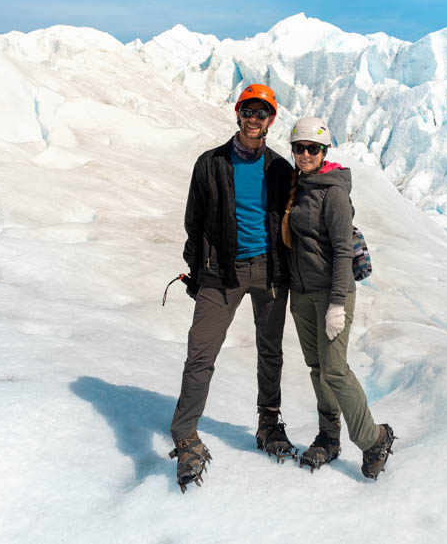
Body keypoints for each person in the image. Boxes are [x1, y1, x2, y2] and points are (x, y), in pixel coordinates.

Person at [168, 83, 296, 493]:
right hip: (221, 273)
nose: (254, 119)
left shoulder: (280, 168)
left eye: (262, 113)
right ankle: (185, 435)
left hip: (270, 272)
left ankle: (268, 424)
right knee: (200, 353)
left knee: (270, 351)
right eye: (248, 111)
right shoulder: (210, 163)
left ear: (271, 119)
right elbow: (195, 221)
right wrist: (197, 271)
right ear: (237, 114)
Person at [282, 117, 395, 480]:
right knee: (318, 369)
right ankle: (328, 437)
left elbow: (343, 251)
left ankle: (374, 438)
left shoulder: (333, 193)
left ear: (324, 151)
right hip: (301, 294)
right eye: (299, 148)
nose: (304, 154)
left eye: (312, 149)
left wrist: (336, 304)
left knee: (334, 369)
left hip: (332, 293)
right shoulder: (297, 186)